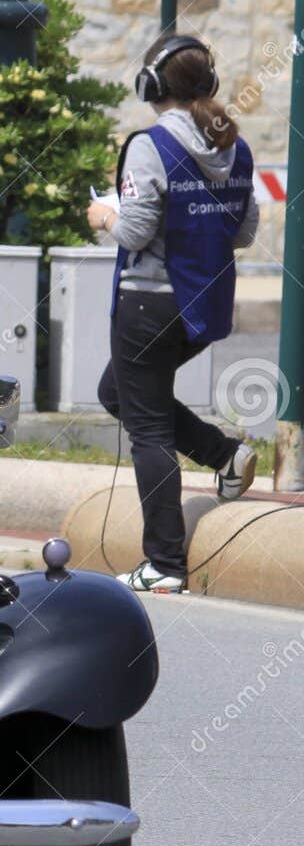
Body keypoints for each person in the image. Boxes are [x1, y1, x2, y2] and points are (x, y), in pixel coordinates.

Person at [88, 34, 258, 595]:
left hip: (147, 304)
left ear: (151, 87)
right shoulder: (234, 147)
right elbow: (246, 230)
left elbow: (135, 230)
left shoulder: (151, 144)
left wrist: (101, 216)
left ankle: (163, 564)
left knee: (148, 430)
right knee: (120, 392)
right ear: (207, 85)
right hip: (202, 304)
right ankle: (225, 455)